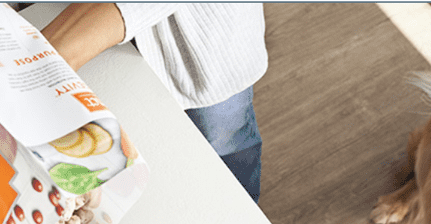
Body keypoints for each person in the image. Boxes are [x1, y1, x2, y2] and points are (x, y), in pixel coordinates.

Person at [41, 3, 267, 203]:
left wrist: (51, 52)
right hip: (83, 30)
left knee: (225, 140)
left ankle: (246, 221)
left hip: (202, 36)